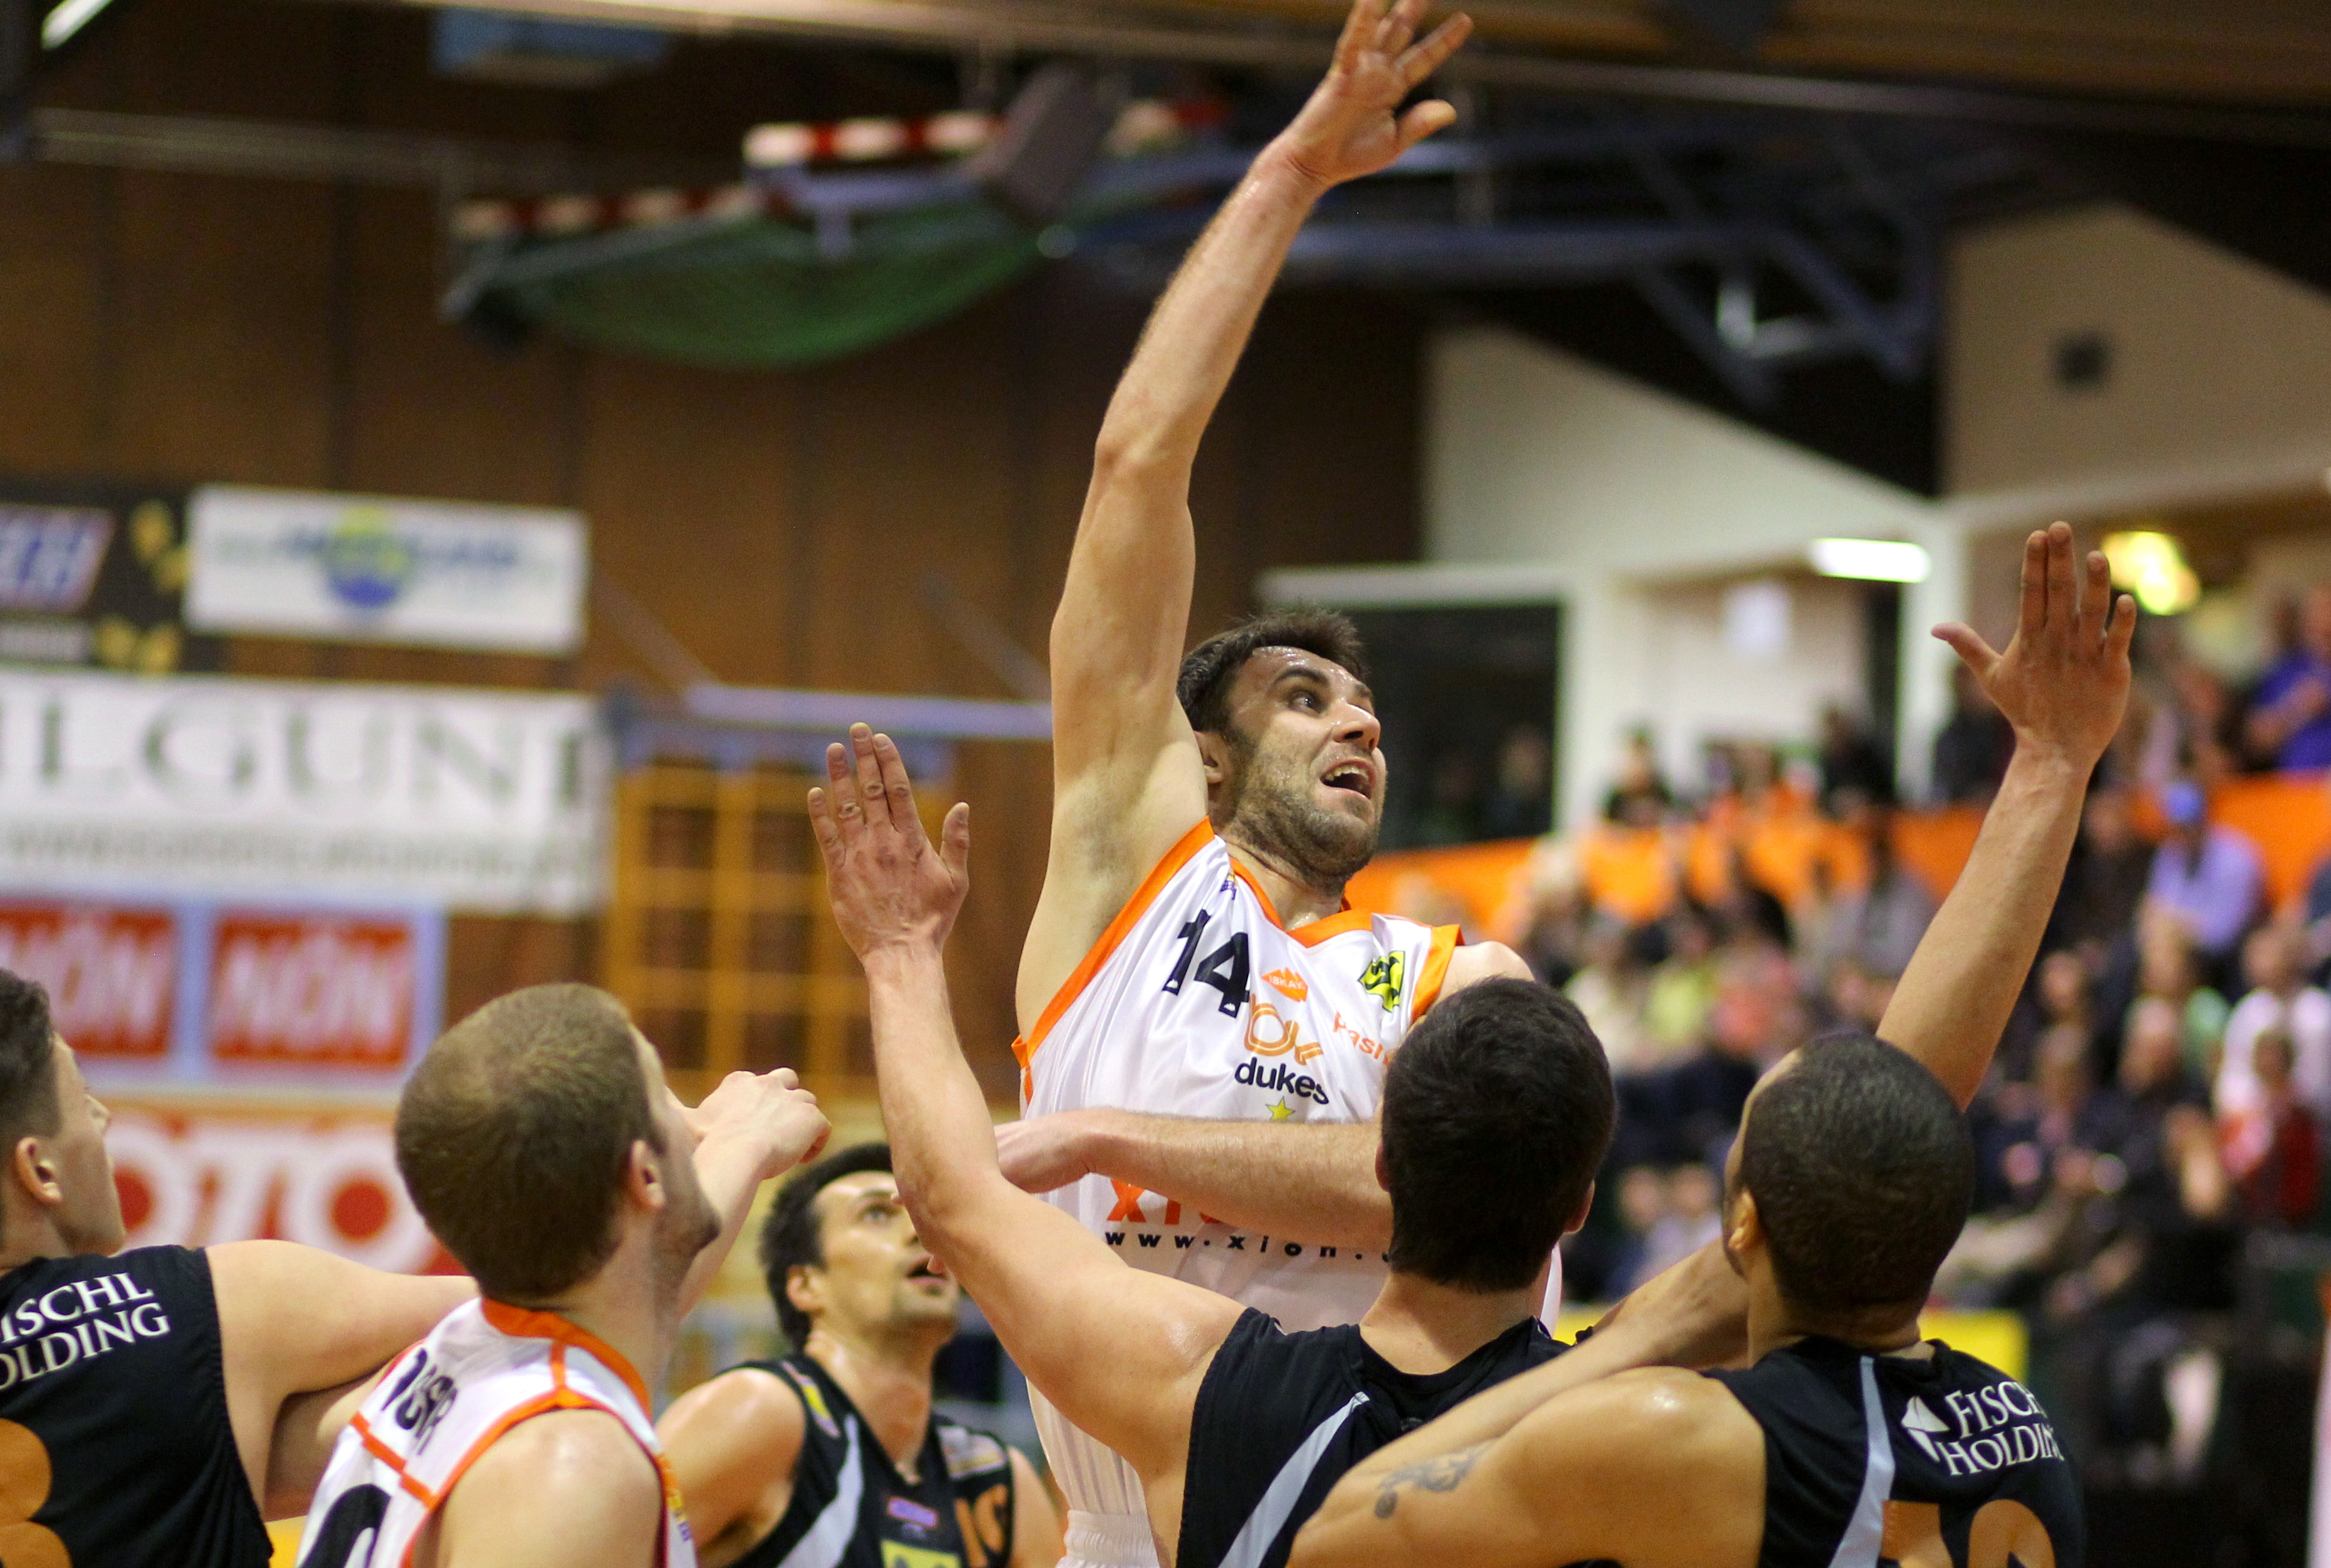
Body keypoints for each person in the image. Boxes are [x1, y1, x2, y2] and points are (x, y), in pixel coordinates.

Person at [1285, 523, 2134, 1568]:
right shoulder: (2020, 1428)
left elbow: (1336, 1531)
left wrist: (1636, 1338)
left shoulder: (1683, 1441)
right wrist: (2051, 766)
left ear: (1743, 1227)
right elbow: (1902, 1110)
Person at [993, 8, 1537, 1562]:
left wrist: (1109, 1139)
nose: (1356, 723)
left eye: (1366, 707)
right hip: (1121, 1525)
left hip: (1374, 1525)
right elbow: (1137, 465)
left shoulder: (1457, 976)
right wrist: (1290, 173)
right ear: (1205, 756)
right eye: (1306, 698)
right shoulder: (1128, 875)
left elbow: (1430, 1201)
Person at [811, 720, 1735, 1568]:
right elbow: (1768, 1251)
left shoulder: (1213, 1393)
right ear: (1577, 1208)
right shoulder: (1631, 1424)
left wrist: (901, 952)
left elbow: (953, 1195)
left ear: (1381, 1168)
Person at [295, 984, 831, 1568]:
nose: (701, 1121)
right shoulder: (570, 1468)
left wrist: (745, 1142)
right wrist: (738, 1138)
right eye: (669, 1100)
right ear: (646, 1176)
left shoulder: (456, 1356)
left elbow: (656, 1278)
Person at [0, 969, 477, 1568]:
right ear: (40, 1170)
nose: (104, 1118)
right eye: (82, 1100)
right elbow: (509, 1309)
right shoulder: (211, 1308)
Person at [657, 1144, 1063, 1568]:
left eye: (923, 1217)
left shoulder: (1000, 1483)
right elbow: (611, 1541)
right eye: (876, 1215)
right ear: (806, 1285)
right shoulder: (758, 1411)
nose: (922, 1235)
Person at [2144, 779, 2264, 988]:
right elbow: (2154, 908)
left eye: (2187, 827)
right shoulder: (2169, 853)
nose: (2181, 835)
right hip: (2174, 946)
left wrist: (2177, 929)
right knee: (2131, 955)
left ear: (2204, 820)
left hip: (2223, 956)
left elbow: (2225, 933)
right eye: (2175, 828)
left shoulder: (2237, 859)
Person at [2245, 582, 2331, 770]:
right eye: (2318, 614)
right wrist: (2297, 709)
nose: (2325, 621)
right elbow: (2258, 740)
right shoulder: (2285, 671)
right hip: (2296, 783)